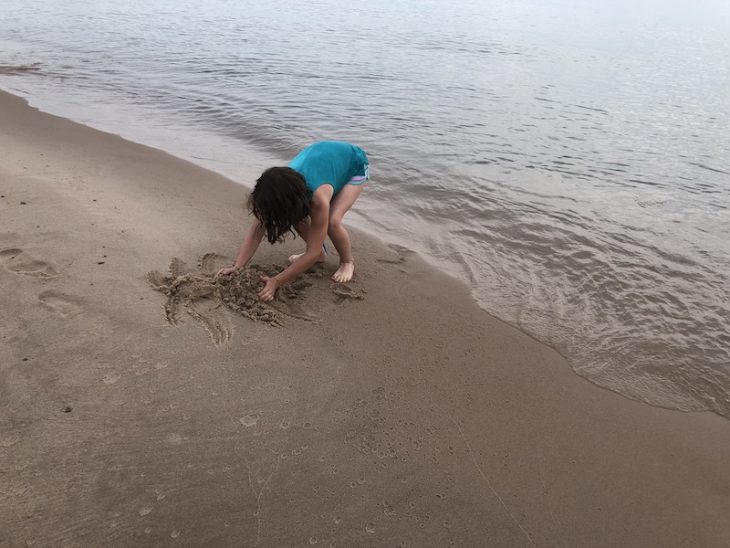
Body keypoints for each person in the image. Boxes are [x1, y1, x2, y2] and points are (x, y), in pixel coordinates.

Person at [217, 141, 369, 301]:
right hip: (323, 161)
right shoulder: (275, 189)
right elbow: (256, 232)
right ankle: (321, 256)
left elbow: (311, 252)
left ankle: (347, 261)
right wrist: (238, 266)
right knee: (296, 216)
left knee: (332, 221)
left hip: (353, 163)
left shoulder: (319, 200)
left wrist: (277, 281)